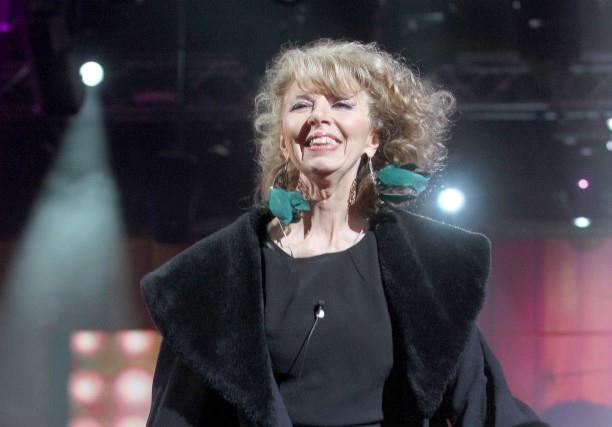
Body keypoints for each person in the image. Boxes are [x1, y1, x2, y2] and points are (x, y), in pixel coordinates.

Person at [141, 39, 547, 427]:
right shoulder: (211, 279)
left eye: (341, 103)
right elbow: (175, 418)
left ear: (373, 137)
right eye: (302, 104)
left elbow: (488, 408)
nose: (319, 116)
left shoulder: (429, 266)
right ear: (283, 138)